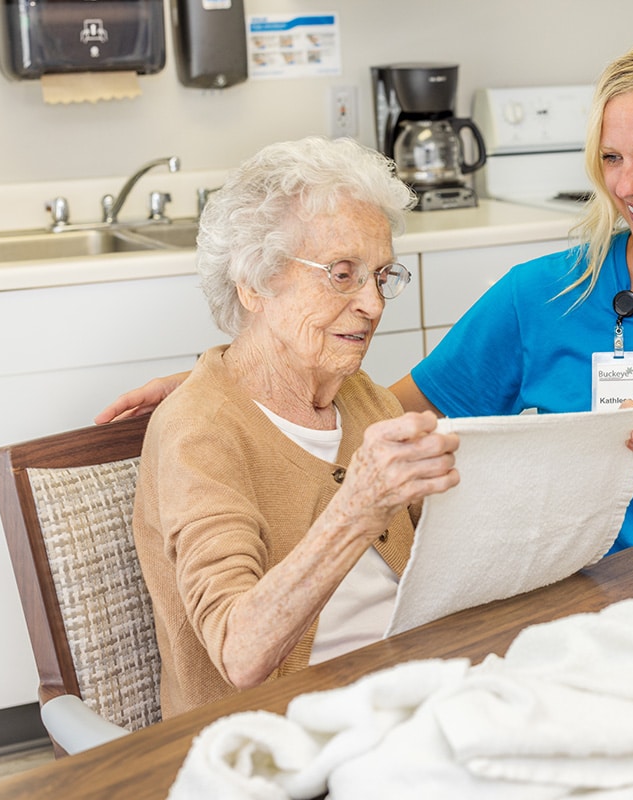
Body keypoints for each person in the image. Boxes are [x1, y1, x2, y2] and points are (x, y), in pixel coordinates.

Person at [101, 33, 633, 599]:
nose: (627, 185)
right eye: (610, 158)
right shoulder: (543, 297)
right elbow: (377, 418)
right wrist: (241, 383)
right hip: (573, 613)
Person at [131, 137, 467, 717]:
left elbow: (454, 566)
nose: (373, 304)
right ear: (255, 282)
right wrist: (357, 508)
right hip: (282, 734)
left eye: (381, 276)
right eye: (342, 274)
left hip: (411, 698)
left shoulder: (362, 399)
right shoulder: (200, 432)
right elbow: (240, 652)